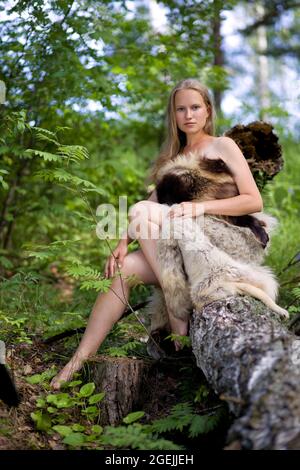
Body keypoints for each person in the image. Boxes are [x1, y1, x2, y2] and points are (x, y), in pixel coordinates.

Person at [50, 78, 263, 390]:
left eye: (195, 107)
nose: (188, 115)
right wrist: (122, 243)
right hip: (183, 249)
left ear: (207, 111)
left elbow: (253, 201)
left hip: (222, 238)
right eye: (181, 109)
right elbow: (150, 208)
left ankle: (177, 314)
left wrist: (197, 208)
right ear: (173, 115)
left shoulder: (223, 146)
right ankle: (77, 361)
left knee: (139, 211)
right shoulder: (170, 160)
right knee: (125, 268)